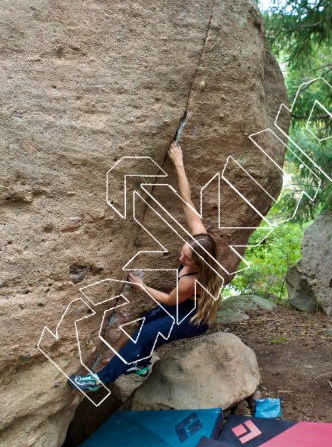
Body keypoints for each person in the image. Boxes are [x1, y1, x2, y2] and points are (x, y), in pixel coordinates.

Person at [69, 142, 221, 392]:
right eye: (183, 252)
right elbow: (187, 201)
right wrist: (179, 164)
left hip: (193, 318)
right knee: (147, 319)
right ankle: (140, 363)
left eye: (186, 259)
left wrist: (141, 286)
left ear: (199, 264)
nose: (181, 258)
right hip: (186, 304)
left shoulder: (190, 281)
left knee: (146, 333)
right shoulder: (201, 240)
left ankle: (98, 380)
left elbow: (170, 299)